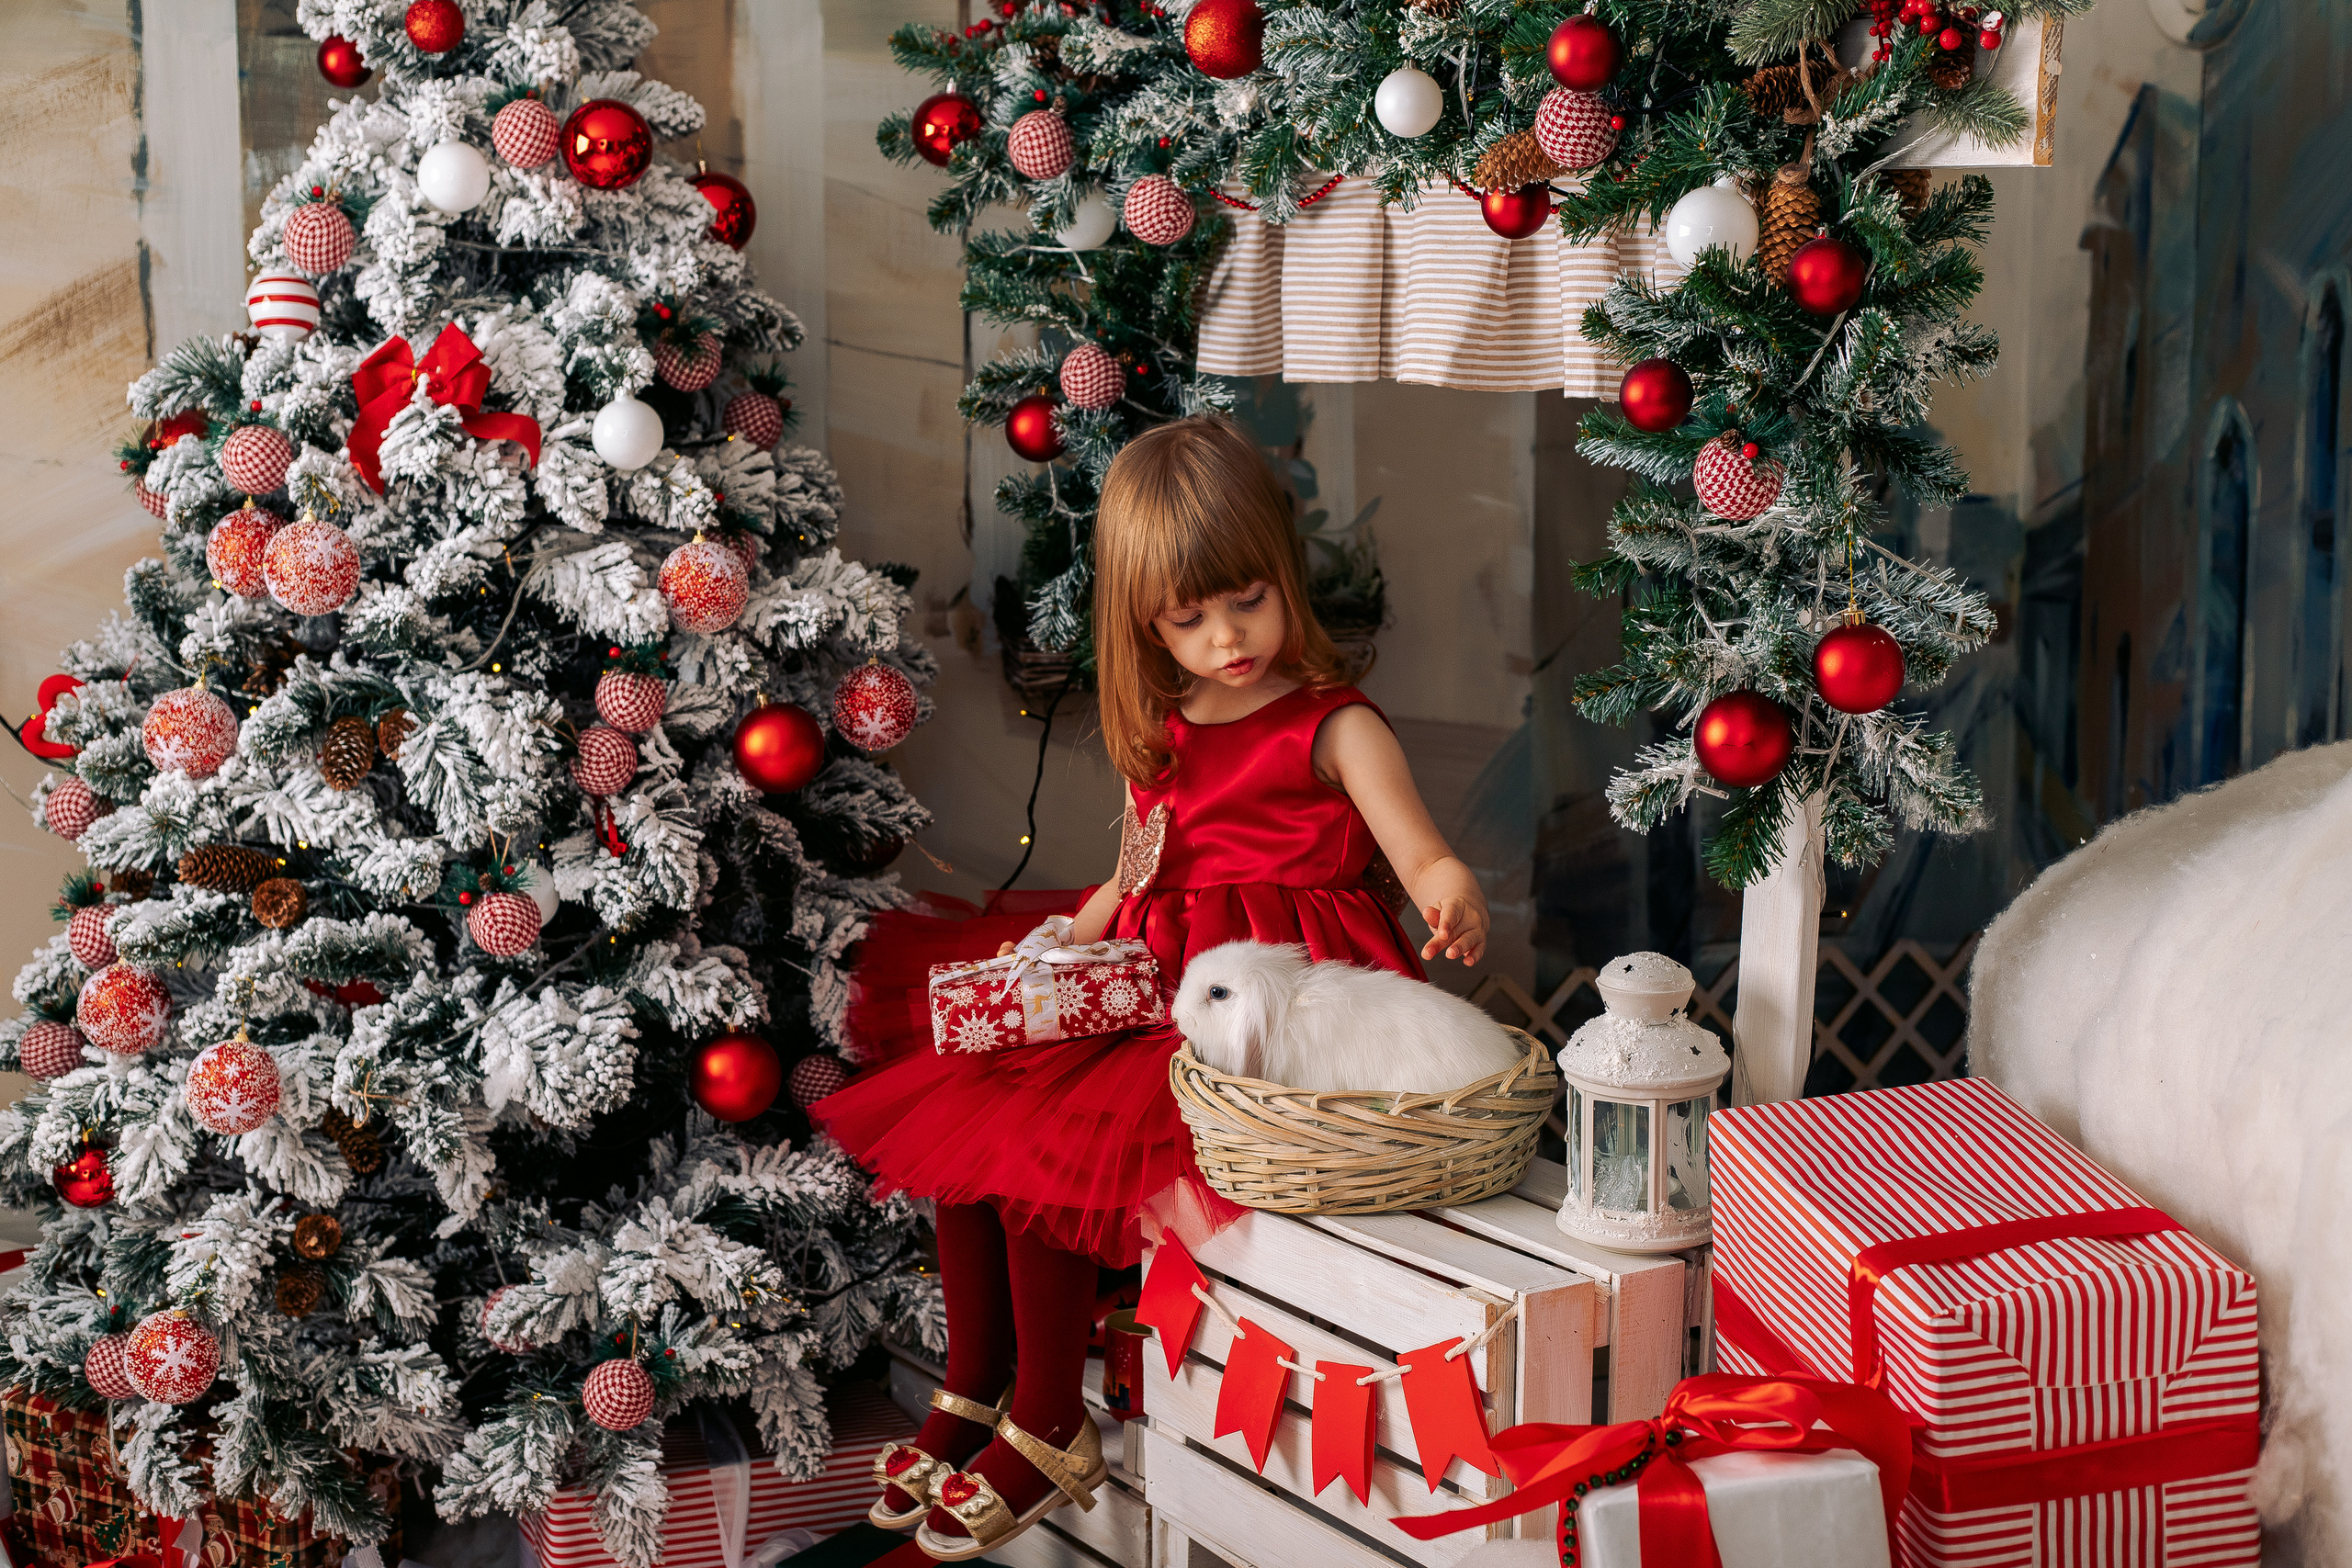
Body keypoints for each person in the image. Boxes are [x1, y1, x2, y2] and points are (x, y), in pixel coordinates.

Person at [814, 415, 1491, 1559]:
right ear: (1146, 621)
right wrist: (1053, 948)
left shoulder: (1334, 723)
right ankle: (977, 1386)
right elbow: (1132, 880)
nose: (1229, 639)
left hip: (1261, 995)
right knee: (982, 1093)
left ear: (1285, 576)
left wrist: (1448, 886)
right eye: (1191, 619)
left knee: (1044, 1135)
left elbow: (1414, 846)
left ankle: (1046, 1414)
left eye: (1249, 602)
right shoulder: (1169, 733)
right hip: (1155, 972)